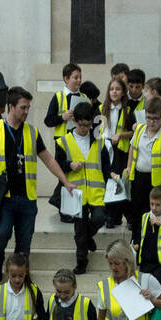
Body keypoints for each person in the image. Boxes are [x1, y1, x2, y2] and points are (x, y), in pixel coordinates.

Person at [0, 87, 78, 282]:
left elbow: (48, 159)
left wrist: (66, 181)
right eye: (23, 107)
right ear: (10, 107)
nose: (26, 112)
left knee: (25, 241)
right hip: (4, 197)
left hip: (27, 198)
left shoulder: (32, 132)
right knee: (2, 233)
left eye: (28, 107)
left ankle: (21, 274)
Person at [54, 100, 110, 275]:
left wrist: (111, 183)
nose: (85, 128)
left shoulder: (99, 141)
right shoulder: (64, 141)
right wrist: (69, 165)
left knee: (99, 218)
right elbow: (57, 165)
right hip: (75, 192)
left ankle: (89, 237)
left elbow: (107, 166)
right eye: (81, 125)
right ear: (74, 121)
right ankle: (81, 262)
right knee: (79, 231)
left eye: (88, 125)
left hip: (97, 192)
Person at [125, 97, 161, 246]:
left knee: (153, 212)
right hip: (139, 178)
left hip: (156, 182)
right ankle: (135, 241)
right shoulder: (139, 130)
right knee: (137, 212)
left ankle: (150, 243)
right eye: (148, 118)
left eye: (155, 118)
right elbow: (132, 148)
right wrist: (129, 166)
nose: (151, 122)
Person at [100, 74, 133, 230]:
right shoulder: (101, 108)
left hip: (121, 151)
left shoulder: (127, 110)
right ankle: (109, 216)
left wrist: (120, 135)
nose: (114, 92)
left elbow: (134, 133)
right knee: (108, 181)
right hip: (106, 150)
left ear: (123, 92)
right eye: (111, 89)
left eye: (117, 89)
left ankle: (119, 215)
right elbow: (96, 132)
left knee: (119, 181)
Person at [43, 62, 83, 138]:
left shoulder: (84, 97)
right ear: (66, 79)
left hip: (79, 140)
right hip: (62, 142)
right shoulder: (58, 97)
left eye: (80, 77)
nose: (79, 80)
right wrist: (62, 117)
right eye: (76, 78)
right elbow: (48, 121)